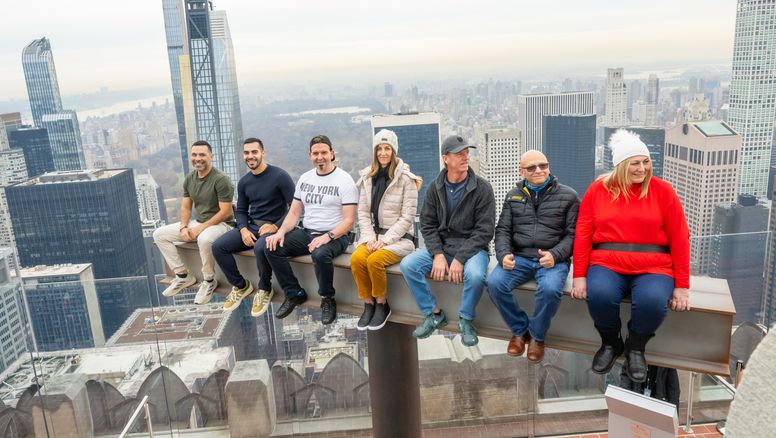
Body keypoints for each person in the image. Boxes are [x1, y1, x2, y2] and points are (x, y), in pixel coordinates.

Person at [571, 129, 690, 383]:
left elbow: (680, 238)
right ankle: (611, 342)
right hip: (607, 262)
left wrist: (682, 286)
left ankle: (636, 346)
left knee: (652, 301)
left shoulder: (663, 191)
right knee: (600, 294)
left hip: (654, 265)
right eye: (635, 163)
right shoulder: (598, 190)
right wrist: (579, 275)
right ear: (621, 165)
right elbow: (583, 233)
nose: (642, 168)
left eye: (646, 162)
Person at [400, 135, 495, 347]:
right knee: (408, 265)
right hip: (443, 246)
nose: (465, 157)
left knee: (476, 275)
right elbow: (428, 224)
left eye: (466, 153)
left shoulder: (482, 188)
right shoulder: (435, 187)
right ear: (446, 158)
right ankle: (433, 314)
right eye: (459, 154)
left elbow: (485, 231)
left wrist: (460, 259)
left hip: (473, 249)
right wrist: (438, 254)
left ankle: (466, 320)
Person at [487, 150, 579, 362]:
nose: (538, 170)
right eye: (531, 167)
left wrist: (555, 255)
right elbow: (502, 230)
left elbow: (573, 234)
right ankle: (519, 330)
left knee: (549, 290)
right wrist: (503, 255)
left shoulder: (569, 196)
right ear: (522, 172)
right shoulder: (513, 196)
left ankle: (537, 336)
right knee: (495, 283)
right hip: (519, 257)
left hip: (552, 260)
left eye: (543, 165)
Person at [265, 135, 358, 325]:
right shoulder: (305, 179)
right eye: (315, 153)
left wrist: (328, 236)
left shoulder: (345, 180)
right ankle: (294, 293)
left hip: (336, 235)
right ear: (310, 156)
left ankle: (327, 299)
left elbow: (349, 221)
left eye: (324, 152)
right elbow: (294, 213)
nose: (320, 157)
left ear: (332, 154)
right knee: (272, 247)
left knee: (320, 254)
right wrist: (281, 232)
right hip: (307, 232)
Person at [211, 138, 295, 316]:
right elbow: (240, 210)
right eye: (246, 153)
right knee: (218, 246)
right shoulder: (244, 182)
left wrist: (276, 226)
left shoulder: (280, 176)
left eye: (254, 152)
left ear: (263, 153)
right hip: (251, 227)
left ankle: (264, 288)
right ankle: (241, 286)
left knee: (260, 247)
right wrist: (243, 229)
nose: (250, 156)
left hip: (273, 229)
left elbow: (295, 208)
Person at [351, 129, 420, 331]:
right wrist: (370, 238)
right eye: (379, 148)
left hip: (400, 239)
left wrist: (386, 240)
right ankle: (368, 303)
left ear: (394, 151)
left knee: (374, 261)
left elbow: (407, 217)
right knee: (356, 259)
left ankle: (382, 303)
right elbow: (362, 213)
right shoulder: (367, 178)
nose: (383, 153)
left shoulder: (407, 179)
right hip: (373, 237)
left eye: (387, 148)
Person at [154, 140, 235, 304]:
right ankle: (183, 276)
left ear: (210, 156)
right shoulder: (190, 179)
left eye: (202, 154)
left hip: (223, 225)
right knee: (159, 234)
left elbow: (226, 211)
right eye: (194, 154)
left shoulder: (221, 179)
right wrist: (184, 227)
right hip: (197, 222)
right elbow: (185, 208)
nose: (198, 158)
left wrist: (199, 230)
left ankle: (209, 281)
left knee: (204, 239)